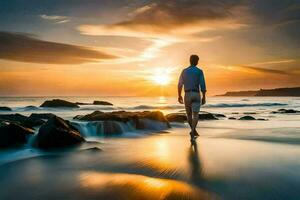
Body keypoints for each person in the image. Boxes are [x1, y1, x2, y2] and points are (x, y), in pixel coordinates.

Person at [178, 55, 207, 141]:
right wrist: (204, 96)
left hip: (187, 94)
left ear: (190, 61)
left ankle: (193, 130)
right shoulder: (199, 71)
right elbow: (202, 84)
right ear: (197, 62)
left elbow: (180, 84)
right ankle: (193, 131)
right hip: (196, 94)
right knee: (196, 114)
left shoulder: (184, 71)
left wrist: (179, 95)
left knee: (189, 115)